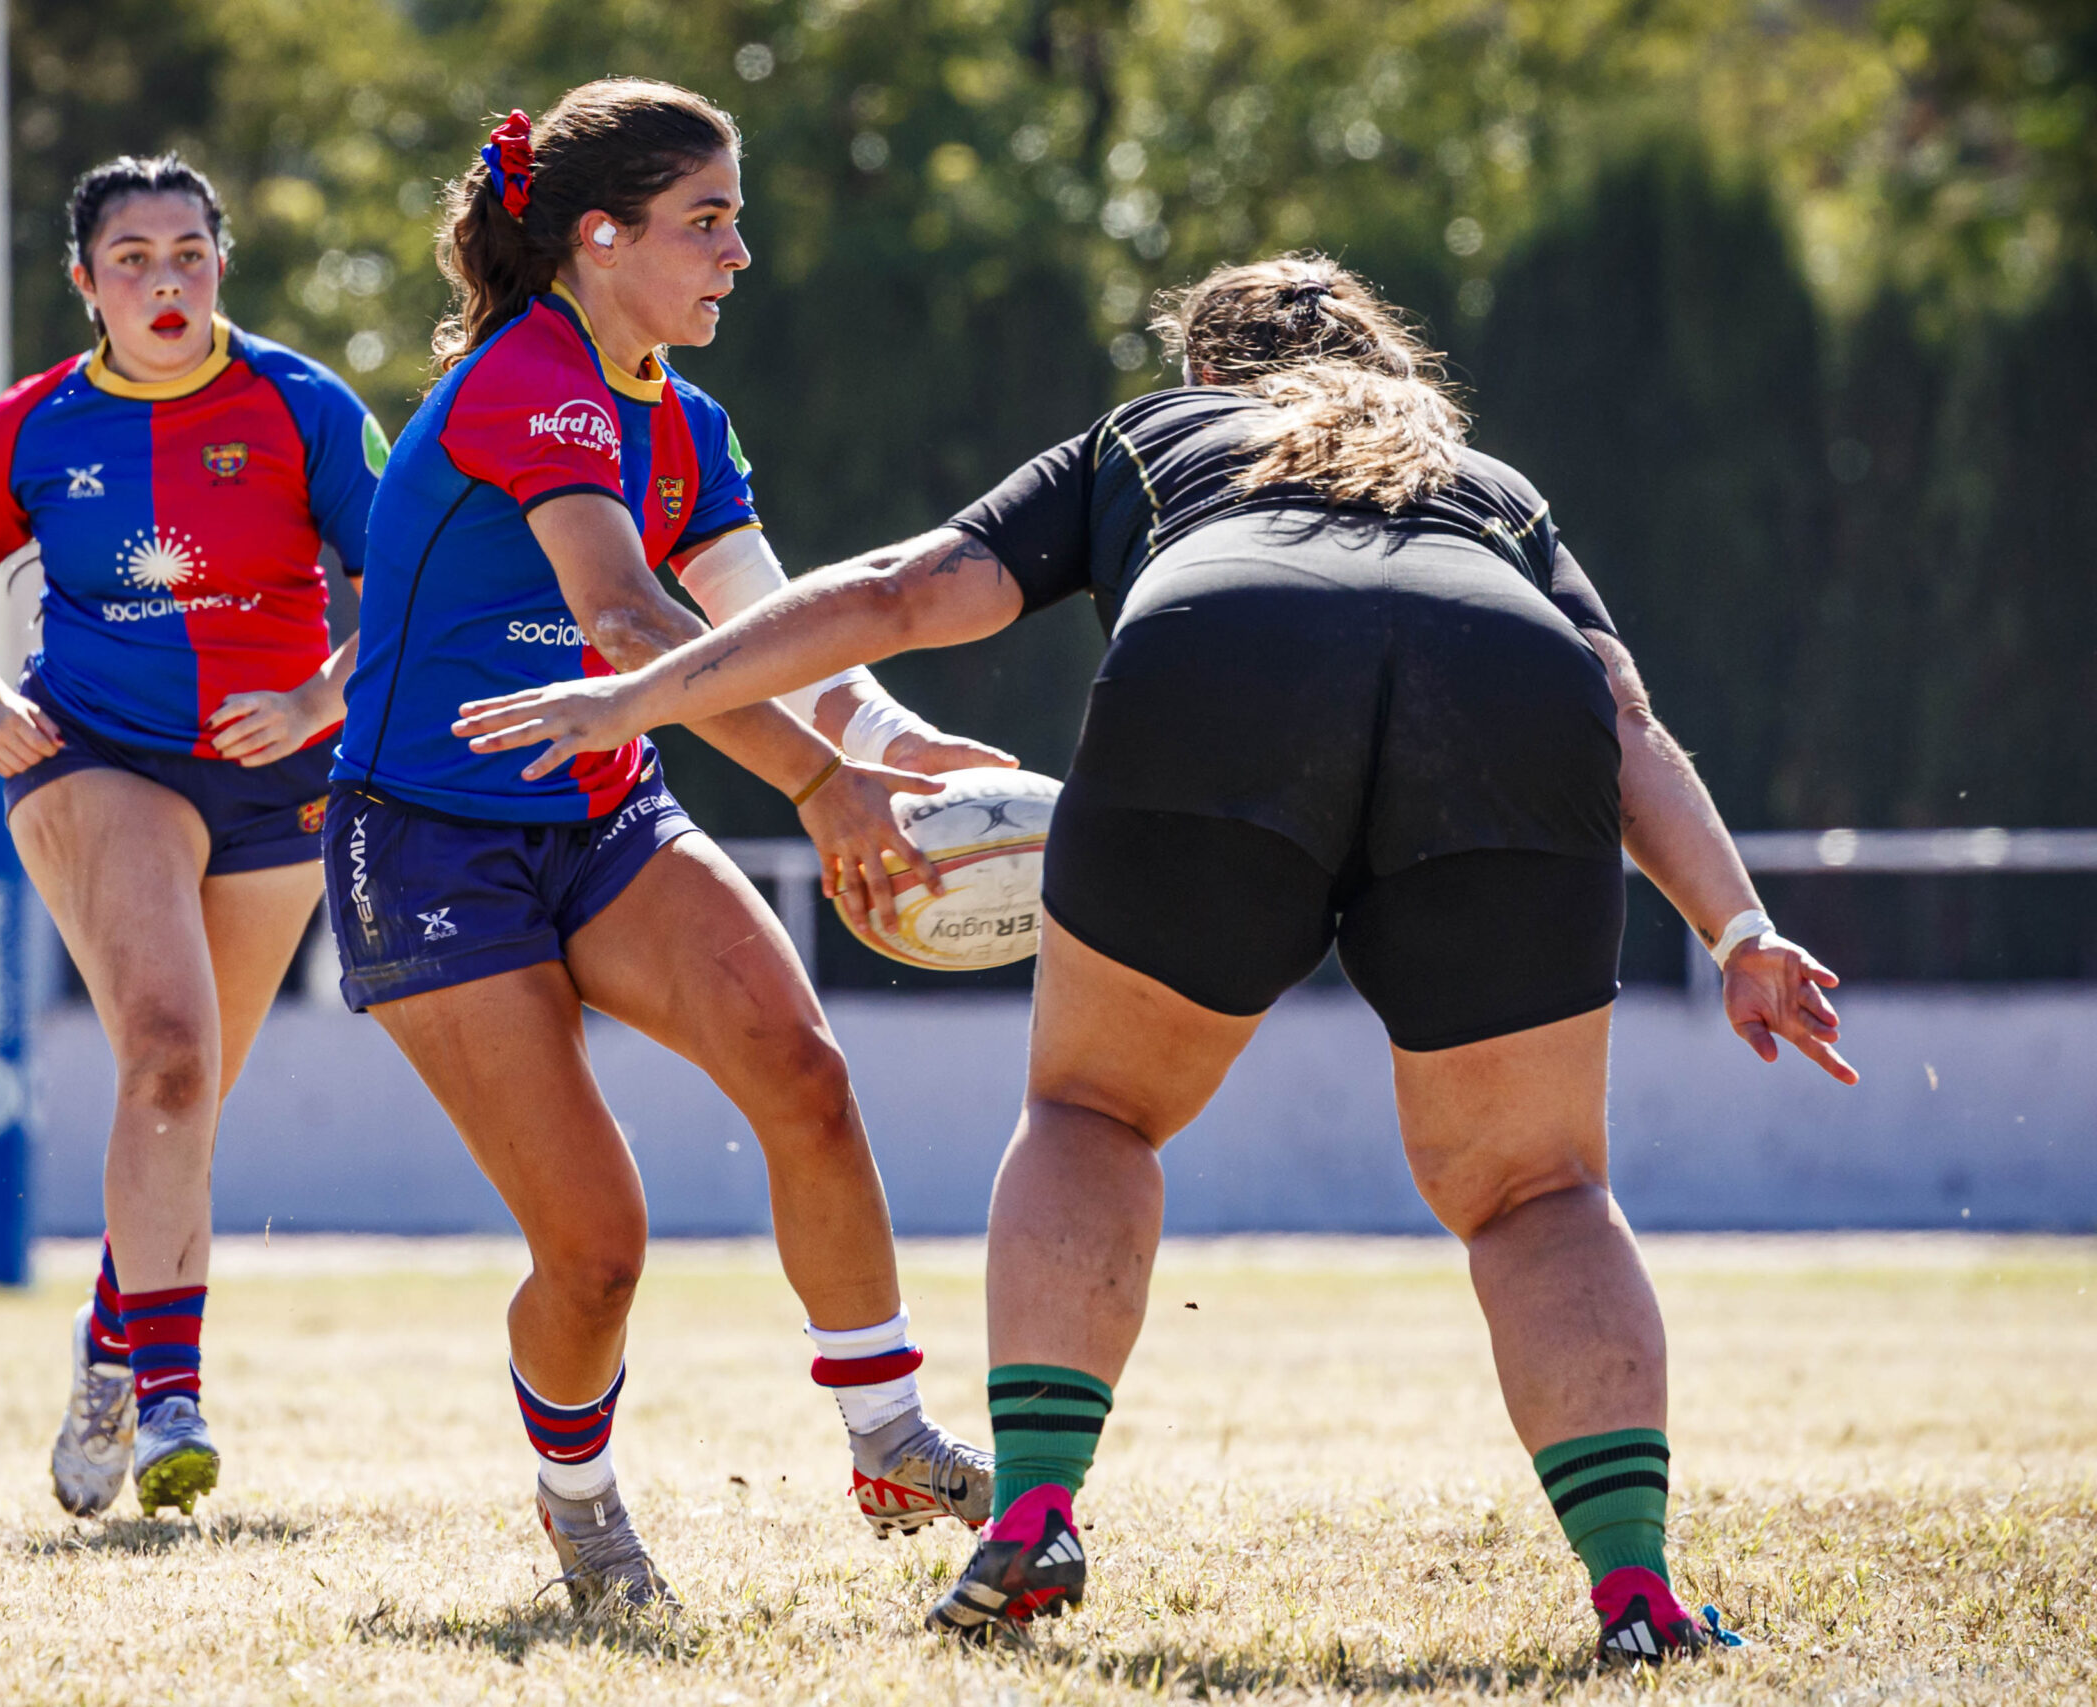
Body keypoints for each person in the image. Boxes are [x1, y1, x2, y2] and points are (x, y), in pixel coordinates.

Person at [453, 253, 1860, 1662]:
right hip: (1500, 686)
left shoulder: (1156, 434)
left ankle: (1035, 1515)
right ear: (1390, 370)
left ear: (1206, 373)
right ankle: (1637, 1601)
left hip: (1224, 656)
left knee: (1095, 1113)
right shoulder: (1483, 480)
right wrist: (1740, 929)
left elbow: (903, 590)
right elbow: (1620, 717)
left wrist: (643, 692)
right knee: (1537, 1188)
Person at [324, 81, 1011, 1611]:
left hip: (602, 813)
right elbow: (632, 626)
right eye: (707, 222)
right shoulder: (534, 382)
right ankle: (579, 1509)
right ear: (599, 237)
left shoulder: (684, 420)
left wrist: (894, 752)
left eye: (734, 219)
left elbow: (781, 636)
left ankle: (888, 1433)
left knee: (805, 1074)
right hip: (430, 844)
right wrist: (824, 791)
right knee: (598, 1250)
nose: (739, 254)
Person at [0, 154, 385, 1520]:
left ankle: (106, 1345)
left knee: (188, 1095)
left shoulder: (304, 405)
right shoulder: (31, 427)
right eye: (132, 259)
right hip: (91, 755)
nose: (164, 281)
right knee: (165, 1050)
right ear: (84, 283)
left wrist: (314, 699)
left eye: (188, 252)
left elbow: (399, 587)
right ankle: (172, 1390)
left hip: (277, 770)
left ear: (222, 260)